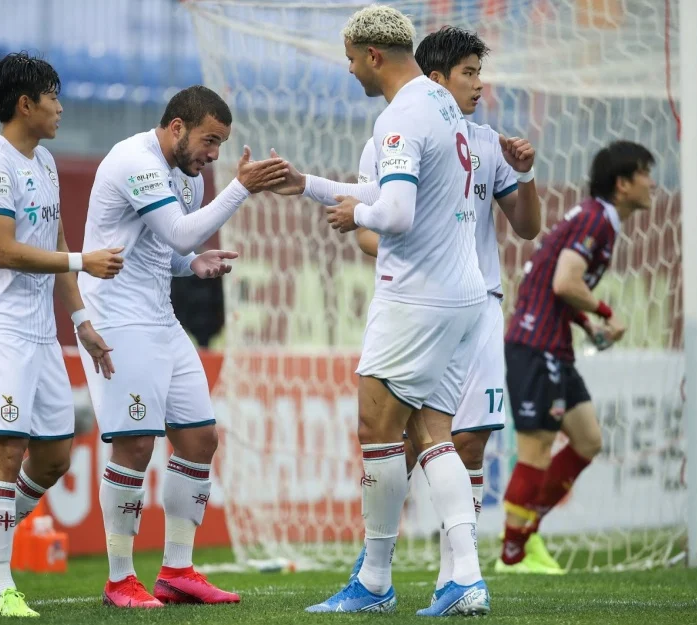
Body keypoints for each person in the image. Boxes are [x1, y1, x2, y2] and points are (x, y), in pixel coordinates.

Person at [268, 5, 489, 615]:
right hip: (465, 294)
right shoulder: (442, 104)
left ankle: (373, 580)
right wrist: (308, 184)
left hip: (417, 296)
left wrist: (352, 216)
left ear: (371, 56)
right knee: (431, 431)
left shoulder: (400, 115)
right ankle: (465, 578)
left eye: (349, 59)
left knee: (377, 429)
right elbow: (395, 190)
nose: (349, 71)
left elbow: (394, 213)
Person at [348, 25, 543, 603]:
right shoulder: (395, 133)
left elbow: (528, 227)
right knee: (408, 436)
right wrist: (419, 255)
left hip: (478, 306)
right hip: (425, 300)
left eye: (480, 72)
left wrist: (526, 173)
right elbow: (367, 230)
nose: (479, 85)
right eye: (468, 73)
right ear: (435, 78)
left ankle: (449, 574)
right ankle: (382, 563)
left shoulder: (485, 145)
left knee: (470, 440)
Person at [77, 85, 288, 608]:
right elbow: (176, 230)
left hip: (159, 318)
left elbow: (164, 247)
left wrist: (190, 265)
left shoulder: (186, 176)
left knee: (200, 439)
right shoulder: (135, 160)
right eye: (208, 140)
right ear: (177, 128)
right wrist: (239, 188)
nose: (213, 153)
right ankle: (120, 578)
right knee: (136, 446)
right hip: (118, 320)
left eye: (219, 144)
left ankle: (176, 571)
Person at [0, 52, 124, 618]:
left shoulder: (43, 160)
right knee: (6, 451)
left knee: (53, 459)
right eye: (53, 95)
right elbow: (4, 251)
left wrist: (81, 323)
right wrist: (82, 261)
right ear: (26, 103)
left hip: (42, 331)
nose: (60, 107)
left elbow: (55, 236)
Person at [496, 141, 655, 574]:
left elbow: (558, 284)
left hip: (555, 344)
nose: (652, 182)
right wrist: (605, 312)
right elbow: (565, 282)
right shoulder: (594, 220)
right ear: (622, 184)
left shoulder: (600, 220)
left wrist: (588, 327)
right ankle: (513, 555)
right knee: (536, 450)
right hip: (534, 344)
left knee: (588, 440)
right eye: (645, 173)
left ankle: (526, 534)